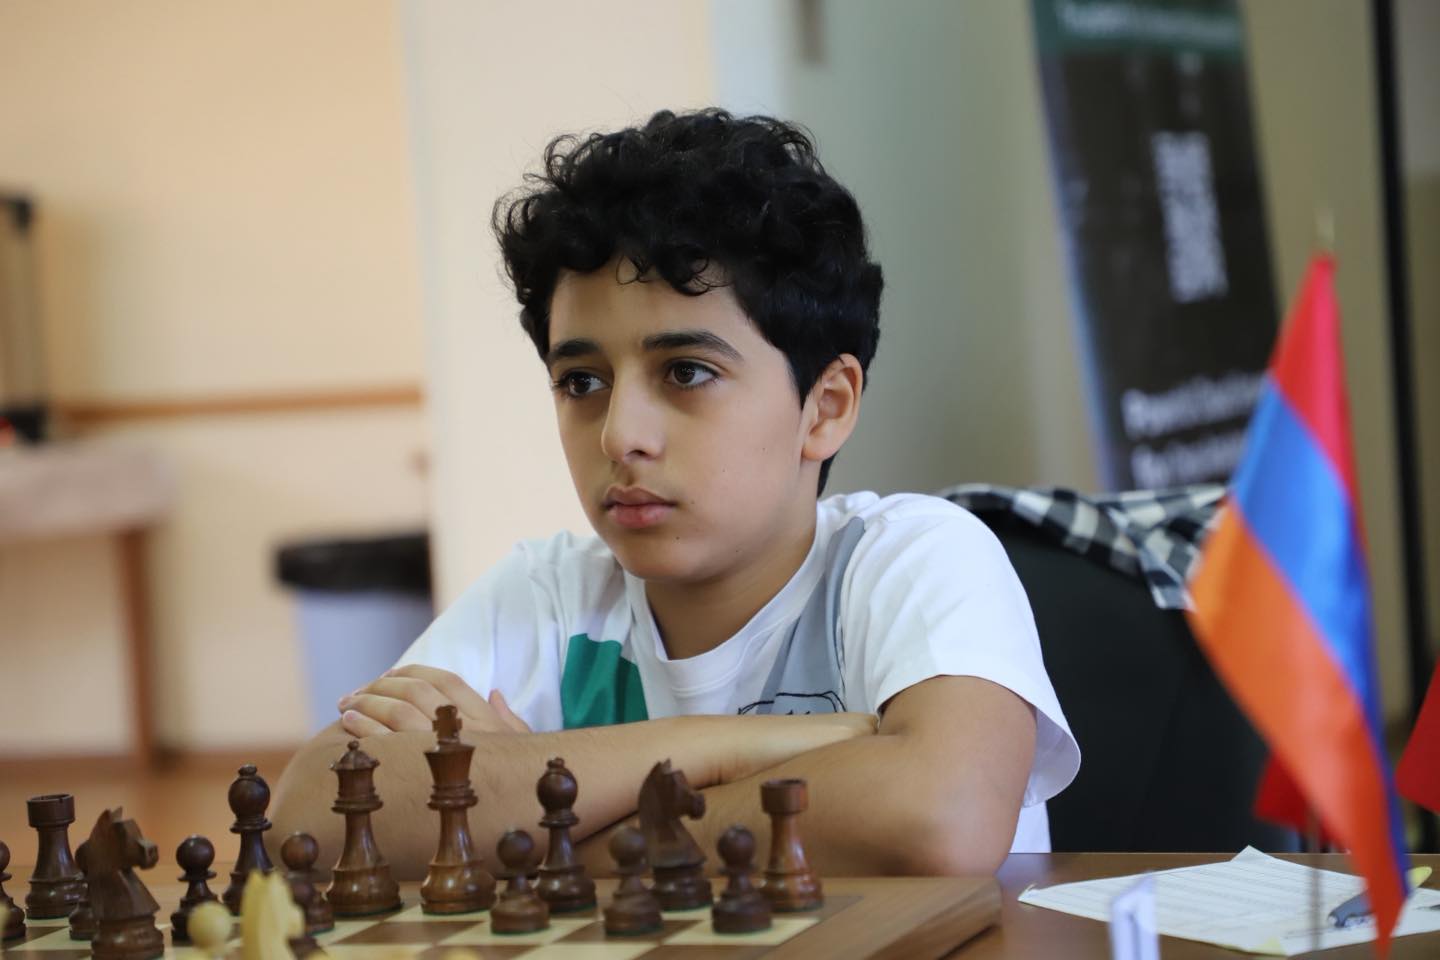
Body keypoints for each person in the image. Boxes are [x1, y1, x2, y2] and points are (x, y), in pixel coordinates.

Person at [271, 109, 1079, 878]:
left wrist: (540, 828)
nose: (620, 435)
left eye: (686, 372)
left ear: (825, 407)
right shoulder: (549, 597)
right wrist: (724, 747)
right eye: (581, 381)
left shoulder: (913, 557)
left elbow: (941, 817)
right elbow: (308, 816)